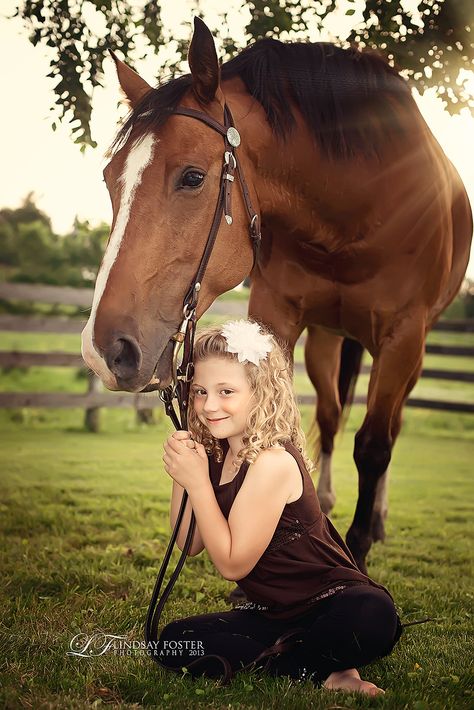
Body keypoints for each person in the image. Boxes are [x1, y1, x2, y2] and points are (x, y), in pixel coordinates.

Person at [159, 319, 402, 695]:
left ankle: (313, 662)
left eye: (226, 391)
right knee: (174, 640)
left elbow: (232, 564)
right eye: (200, 391)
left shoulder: (272, 461)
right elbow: (189, 543)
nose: (209, 405)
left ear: (260, 393)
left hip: (337, 604)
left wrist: (196, 482)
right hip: (279, 615)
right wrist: (185, 469)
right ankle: (321, 669)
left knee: (369, 614)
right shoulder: (214, 453)